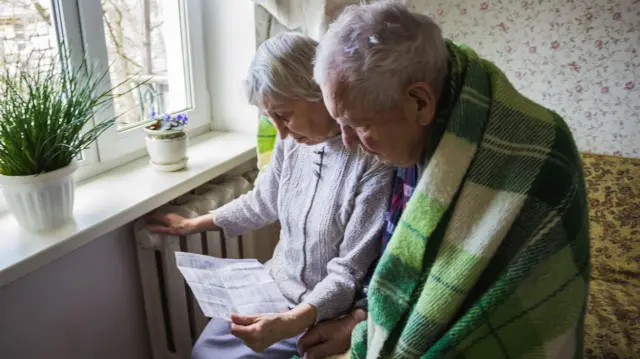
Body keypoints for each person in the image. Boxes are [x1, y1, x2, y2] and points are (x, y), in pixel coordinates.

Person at [298, 3, 590, 359]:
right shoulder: (414, 130)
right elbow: (400, 260)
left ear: (420, 102)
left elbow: (527, 311)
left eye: (358, 125)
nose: (347, 143)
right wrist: (359, 319)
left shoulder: (541, 152)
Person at [149, 32, 393, 359]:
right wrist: (191, 225)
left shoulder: (372, 160)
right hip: (272, 287)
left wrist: (290, 322)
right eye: (270, 118)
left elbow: (347, 273)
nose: (280, 132)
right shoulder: (291, 143)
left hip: (319, 312)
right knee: (204, 351)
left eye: (284, 114)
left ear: (319, 91)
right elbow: (262, 202)